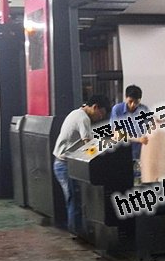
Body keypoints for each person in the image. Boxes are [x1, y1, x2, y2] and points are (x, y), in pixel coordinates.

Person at [52, 95, 111, 234]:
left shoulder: (76, 113)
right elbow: (88, 145)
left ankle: (76, 229)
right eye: (101, 113)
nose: (101, 117)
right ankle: (76, 233)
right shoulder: (83, 118)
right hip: (65, 165)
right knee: (74, 199)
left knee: (74, 199)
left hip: (62, 163)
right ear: (95, 107)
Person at [110, 84, 150, 161]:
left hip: (138, 152)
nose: (133, 105)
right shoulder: (117, 109)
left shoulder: (144, 109)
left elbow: (149, 129)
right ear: (126, 97)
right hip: (121, 151)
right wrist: (138, 139)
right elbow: (117, 133)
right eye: (130, 101)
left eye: (136, 102)